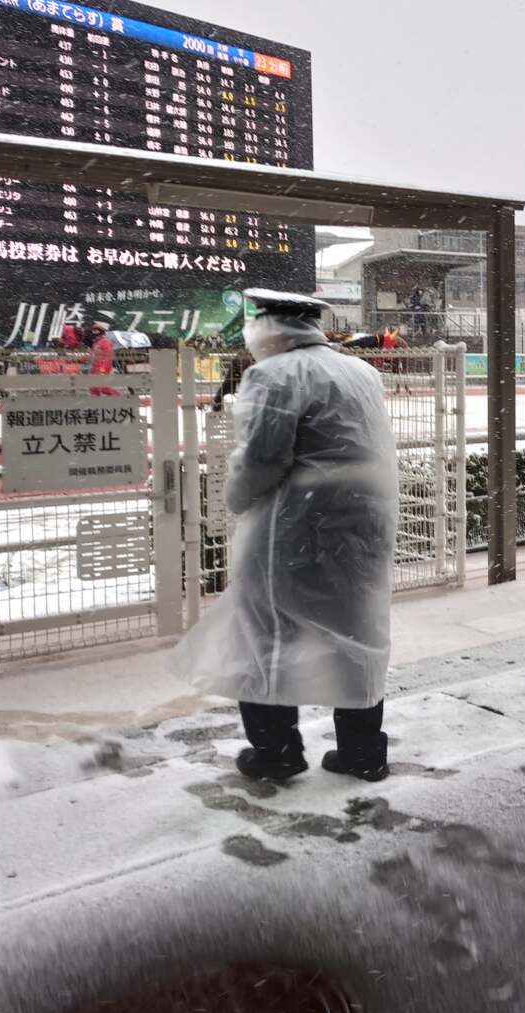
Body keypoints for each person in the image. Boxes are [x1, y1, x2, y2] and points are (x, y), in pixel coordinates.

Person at [171, 289, 399, 783]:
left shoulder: (272, 375)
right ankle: (363, 752)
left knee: (263, 636)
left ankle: (277, 751)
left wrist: (232, 499)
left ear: (270, 327)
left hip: (292, 530)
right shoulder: (361, 371)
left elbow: (262, 461)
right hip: (362, 529)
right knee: (357, 634)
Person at [85, 321, 120, 397]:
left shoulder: (105, 342)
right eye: (93, 330)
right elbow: (93, 355)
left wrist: (103, 369)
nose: (94, 332)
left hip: (102, 368)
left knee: (102, 387)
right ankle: (97, 403)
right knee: (93, 387)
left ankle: (119, 397)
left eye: (96, 330)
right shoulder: (95, 343)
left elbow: (108, 357)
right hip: (94, 367)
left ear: (101, 331)